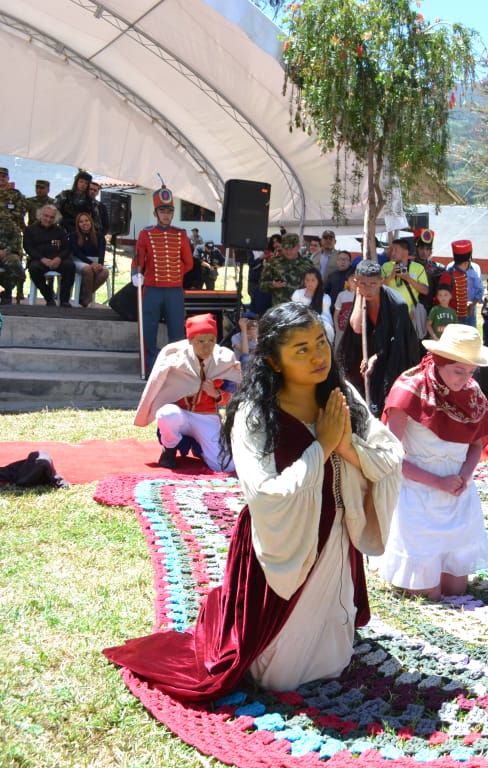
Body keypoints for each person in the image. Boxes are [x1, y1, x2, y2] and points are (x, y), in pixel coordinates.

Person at [104, 302, 404, 702]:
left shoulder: (341, 394)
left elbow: (390, 455)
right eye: (301, 349)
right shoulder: (255, 412)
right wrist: (322, 447)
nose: (318, 355)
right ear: (274, 362)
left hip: (335, 537)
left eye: (320, 342)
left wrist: (345, 446)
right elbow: (264, 492)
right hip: (283, 542)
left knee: (333, 656)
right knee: (278, 676)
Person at [373, 324, 488, 601]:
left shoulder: (472, 392)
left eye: (471, 372)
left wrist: (464, 476)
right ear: (440, 361)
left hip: (456, 494)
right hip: (417, 494)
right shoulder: (410, 389)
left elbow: (476, 445)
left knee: (456, 590)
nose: (465, 379)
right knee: (428, 593)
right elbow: (391, 455)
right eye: (458, 371)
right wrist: (437, 481)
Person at [133, 313, 243, 471]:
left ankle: (204, 450)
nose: (207, 347)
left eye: (211, 340)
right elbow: (157, 387)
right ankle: (169, 449)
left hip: (206, 418)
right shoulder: (175, 358)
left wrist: (216, 394)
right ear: (190, 341)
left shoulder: (224, 360)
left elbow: (233, 397)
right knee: (167, 414)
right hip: (180, 415)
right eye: (201, 341)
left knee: (226, 466)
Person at [337, 259, 422, 417]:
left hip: (394, 358)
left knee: (386, 400)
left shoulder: (397, 305)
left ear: (381, 281)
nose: (368, 289)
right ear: (355, 282)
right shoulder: (361, 295)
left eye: (373, 284)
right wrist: (359, 294)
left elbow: (399, 345)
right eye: (363, 284)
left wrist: (376, 357)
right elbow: (357, 328)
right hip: (369, 351)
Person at [133, 186, 194, 373]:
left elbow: (188, 262)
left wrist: (175, 274)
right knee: (148, 328)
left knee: (176, 330)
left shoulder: (181, 234)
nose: (166, 215)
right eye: (162, 211)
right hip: (152, 288)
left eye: (169, 212)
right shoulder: (146, 234)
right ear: (155, 213)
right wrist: (136, 273)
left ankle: (175, 368)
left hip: (174, 290)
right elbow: (138, 258)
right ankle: (149, 367)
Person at [25, 204, 76, 308]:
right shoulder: (30, 230)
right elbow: (28, 247)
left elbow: (66, 248)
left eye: (52, 217)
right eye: (46, 216)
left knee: (69, 266)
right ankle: (49, 297)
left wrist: (59, 258)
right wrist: (42, 259)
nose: (48, 219)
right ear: (40, 215)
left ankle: (64, 300)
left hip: (57, 260)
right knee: (33, 269)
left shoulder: (60, 231)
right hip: (39, 260)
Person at [439, 240, 484, 326]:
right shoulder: (448, 275)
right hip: (451, 318)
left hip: (464, 315)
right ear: (467, 262)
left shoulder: (462, 274)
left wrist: (467, 306)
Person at [381, 237, 428, 318]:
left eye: (396, 250)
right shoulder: (386, 266)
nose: (392, 253)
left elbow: (425, 291)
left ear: (406, 251)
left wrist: (408, 278)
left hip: (411, 314)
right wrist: (391, 276)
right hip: (390, 313)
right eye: (392, 250)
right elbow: (378, 287)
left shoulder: (418, 268)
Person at [260, 233, 313, 307]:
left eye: (291, 248)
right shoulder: (274, 263)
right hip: (281, 308)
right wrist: (272, 285)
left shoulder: (308, 263)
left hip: (301, 308)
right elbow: (262, 285)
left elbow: (315, 284)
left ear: (298, 247)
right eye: (285, 249)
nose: (288, 252)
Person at [0, 167, 28, 305]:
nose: (1, 178)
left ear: (8, 178)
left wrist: (5, 251)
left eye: (3, 176)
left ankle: (7, 291)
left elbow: (21, 211)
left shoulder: (15, 195)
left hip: (7, 248)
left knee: (14, 263)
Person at [70, 211, 109, 307]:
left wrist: (99, 264)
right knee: (88, 270)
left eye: (86, 220)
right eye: (81, 221)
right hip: (79, 260)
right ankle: (87, 298)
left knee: (104, 272)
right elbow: (77, 253)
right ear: (78, 224)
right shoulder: (73, 236)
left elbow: (101, 253)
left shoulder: (99, 236)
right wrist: (91, 263)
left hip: (95, 262)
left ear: (91, 222)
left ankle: (84, 296)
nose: (84, 223)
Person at [291, 267, 334, 342]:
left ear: (318, 281)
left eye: (313, 280)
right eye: (307, 280)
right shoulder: (297, 294)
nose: (309, 283)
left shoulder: (325, 298)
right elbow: (294, 314)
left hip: (317, 331)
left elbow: (326, 319)